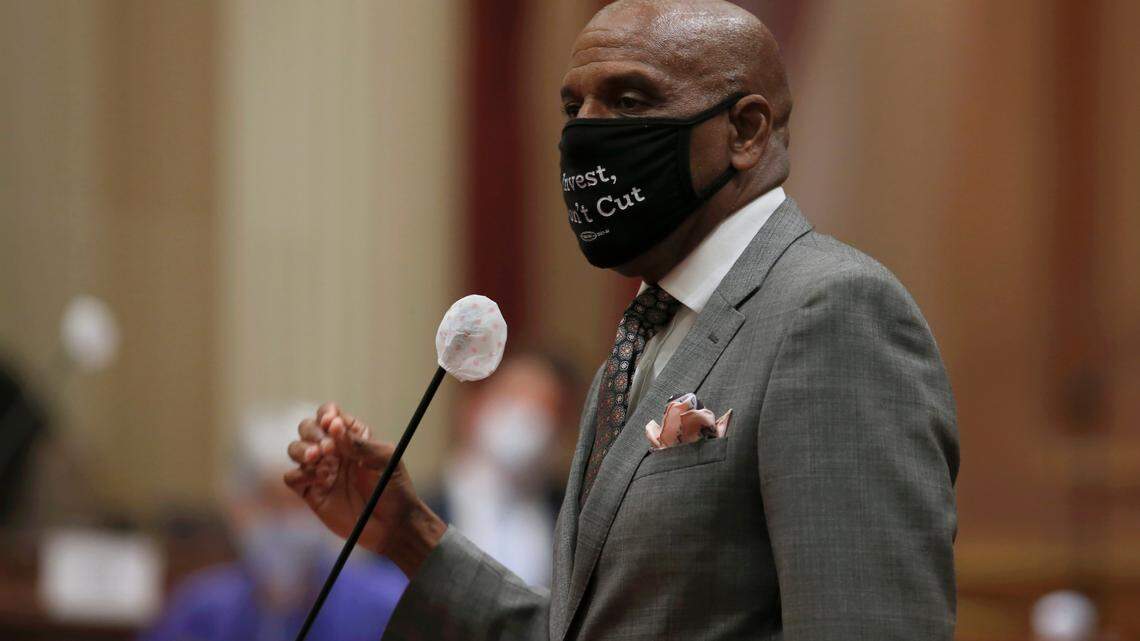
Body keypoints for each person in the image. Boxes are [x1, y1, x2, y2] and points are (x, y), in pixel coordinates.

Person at [285, 1, 960, 639]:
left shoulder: (831, 312)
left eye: (628, 100)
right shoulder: (643, 338)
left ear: (747, 131)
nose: (586, 133)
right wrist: (407, 532)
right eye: (573, 107)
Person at [142, 403, 407, 641]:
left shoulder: (387, 608)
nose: (287, 519)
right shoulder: (199, 611)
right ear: (239, 507)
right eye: (270, 500)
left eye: (302, 499)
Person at [424, 352, 581, 587]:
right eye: (513, 398)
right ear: (474, 406)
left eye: (544, 409)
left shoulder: (572, 516)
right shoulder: (422, 507)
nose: (525, 419)